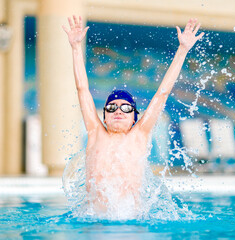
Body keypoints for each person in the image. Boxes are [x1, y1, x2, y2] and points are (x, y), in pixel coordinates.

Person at [63, 15, 204, 215]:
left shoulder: (140, 135)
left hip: (133, 225)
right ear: (104, 117)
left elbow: (162, 93)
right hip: (94, 224)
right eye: (111, 108)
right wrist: (76, 48)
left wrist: (182, 50)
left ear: (134, 117)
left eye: (126, 108)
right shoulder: (96, 134)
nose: (118, 111)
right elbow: (82, 89)